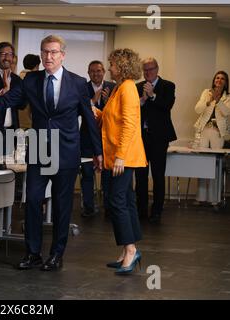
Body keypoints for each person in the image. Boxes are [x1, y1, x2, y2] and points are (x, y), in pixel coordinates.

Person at [0, 35, 102, 271]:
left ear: (62, 55)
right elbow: (6, 101)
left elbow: (89, 119)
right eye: (44, 52)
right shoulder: (31, 80)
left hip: (66, 152)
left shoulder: (78, 83)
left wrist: (97, 152)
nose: (48, 56)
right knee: (32, 202)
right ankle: (33, 253)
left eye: (53, 52)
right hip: (39, 149)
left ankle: (56, 254)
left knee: (62, 206)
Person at [93, 48, 147, 274]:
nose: (109, 68)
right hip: (118, 155)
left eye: (112, 64)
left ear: (122, 66)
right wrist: (93, 111)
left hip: (123, 157)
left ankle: (131, 249)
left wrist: (120, 156)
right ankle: (129, 250)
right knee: (126, 201)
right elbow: (109, 119)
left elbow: (130, 125)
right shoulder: (118, 88)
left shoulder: (127, 89)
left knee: (116, 201)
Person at [135, 57, 176, 224]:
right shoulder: (137, 87)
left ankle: (157, 211)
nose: (148, 73)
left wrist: (152, 96)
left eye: (150, 69)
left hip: (159, 138)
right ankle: (141, 210)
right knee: (141, 176)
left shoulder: (168, 86)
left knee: (158, 176)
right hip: (141, 138)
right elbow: (133, 110)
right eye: (145, 70)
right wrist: (143, 99)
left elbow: (167, 105)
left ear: (157, 69)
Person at [80, 60, 115, 218]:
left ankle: (108, 207)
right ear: (88, 73)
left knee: (107, 175)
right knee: (87, 174)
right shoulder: (82, 88)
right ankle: (88, 207)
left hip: (107, 138)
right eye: (93, 71)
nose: (96, 74)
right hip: (87, 138)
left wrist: (108, 102)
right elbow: (78, 111)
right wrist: (92, 101)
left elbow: (115, 113)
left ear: (104, 72)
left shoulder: (113, 87)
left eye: (99, 71)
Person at [194, 71, 230, 205]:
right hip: (204, 129)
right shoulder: (206, 92)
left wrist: (219, 100)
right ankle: (200, 198)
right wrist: (210, 100)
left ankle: (214, 199)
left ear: (226, 82)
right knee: (202, 163)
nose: (219, 80)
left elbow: (227, 112)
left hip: (217, 132)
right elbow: (197, 109)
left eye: (222, 79)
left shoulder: (228, 97)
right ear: (214, 80)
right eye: (217, 78)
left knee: (216, 165)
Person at [18, 54, 41, 129]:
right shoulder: (35, 81)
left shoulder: (16, 78)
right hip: (30, 124)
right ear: (37, 66)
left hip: (16, 123)